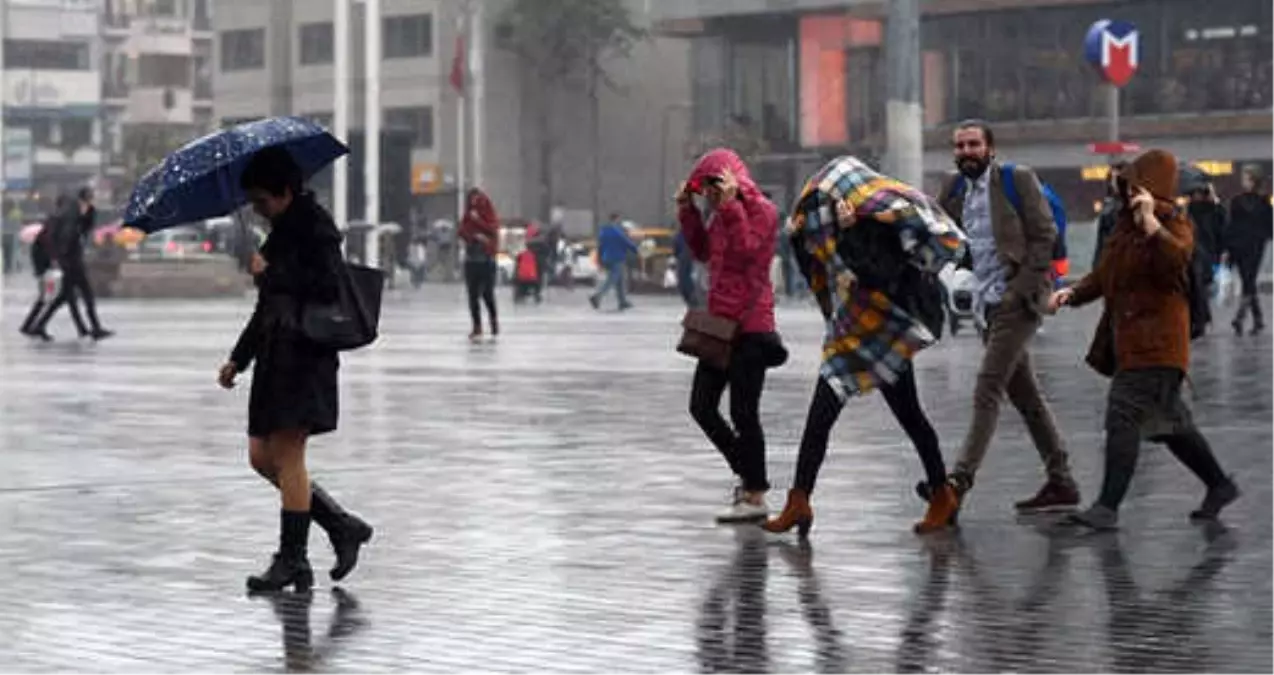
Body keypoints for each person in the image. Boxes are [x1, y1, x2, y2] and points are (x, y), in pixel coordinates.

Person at [762, 156, 966, 537]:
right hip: (853, 330)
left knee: (910, 415)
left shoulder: (880, 222)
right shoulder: (841, 220)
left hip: (886, 329)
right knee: (822, 415)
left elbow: (879, 274)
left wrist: (851, 230)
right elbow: (821, 264)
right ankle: (799, 500)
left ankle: (941, 495)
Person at [1050, 149, 1239, 530]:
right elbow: (1104, 274)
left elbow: (1177, 260)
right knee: (1171, 426)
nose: (1128, 190)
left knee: (1123, 414)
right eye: (1127, 184)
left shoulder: (1174, 222)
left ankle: (1106, 507)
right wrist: (1071, 294)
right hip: (1131, 342)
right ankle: (1219, 485)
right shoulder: (1122, 225)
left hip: (1159, 345)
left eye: (1136, 184)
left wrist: (1152, 220)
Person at [218, 147, 373, 593]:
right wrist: (238, 357)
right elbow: (268, 307)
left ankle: (292, 560)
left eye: (263, 201)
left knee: (288, 457)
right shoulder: (280, 232)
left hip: (304, 357)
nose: (259, 211)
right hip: (274, 355)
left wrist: (273, 272)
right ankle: (340, 526)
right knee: (262, 457)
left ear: (287, 192)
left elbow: (325, 287)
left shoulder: (316, 228)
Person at [933, 119, 1079, 517]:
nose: (966, 151)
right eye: (960, 146)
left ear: (990, 148)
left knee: (987, 389)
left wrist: (1020, 290)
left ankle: (956, 485)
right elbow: (934, 230)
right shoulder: (953, 188)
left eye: (974, 144)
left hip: (1016, 302)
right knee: (1025, 396)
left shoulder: (1017, 179)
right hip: (984, 305)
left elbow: (1045, 236)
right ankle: (1062, 481)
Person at [677, 148, 787, 523]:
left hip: (753, 325)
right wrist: (688, 211)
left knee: (743, 412)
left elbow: (748, 251)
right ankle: (752, 476)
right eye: (705, 187)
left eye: (715, 185)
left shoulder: (764, 211)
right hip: (720, 324)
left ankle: (755, 496)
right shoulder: (717, 214)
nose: (710, 193)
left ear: (734, 179)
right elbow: (703, 252)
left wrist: (728, 207)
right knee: (701, 407)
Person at [29, 189, 112, 341]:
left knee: (62, 297)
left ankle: (40, 325)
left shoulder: (83, 212)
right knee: (86, 294)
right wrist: (61, 257)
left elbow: (85, 230)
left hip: (72, 258)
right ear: (87, 198)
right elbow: (66, 236)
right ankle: (95, 328)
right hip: (70, 260)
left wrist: (89, 213)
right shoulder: (70, 214)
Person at [20, 197, 88, 341]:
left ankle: (35, 325)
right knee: (51, 298)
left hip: (53, 265)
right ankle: (33, 325)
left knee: (62, 298)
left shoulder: (57, 222)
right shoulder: (55, 222)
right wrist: (55, 260)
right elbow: (48, 245)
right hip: (51, 267)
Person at [1224, 165, 1273, 335]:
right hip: (1239, 246)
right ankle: (1257, 319)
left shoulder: (1263, 201)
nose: (1243, 181)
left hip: (1256, 245)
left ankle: (1240, 317)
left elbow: (1270, 223)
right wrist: (1227, 247)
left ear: (1253, 180)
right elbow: (1231, 225)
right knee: (1248, 281)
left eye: (1246, 178)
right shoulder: (1237, 201)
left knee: (1249, 279)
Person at [459, 188, 501, 341]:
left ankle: (493, 320)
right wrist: (473, 236)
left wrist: (478, 222)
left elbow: (493, 229)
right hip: (471, 258)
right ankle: (477, 326)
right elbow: (462, 231)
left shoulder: (488, 214)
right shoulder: (468, 214)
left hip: (486, 259)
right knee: (472, 295)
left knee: (487, 293)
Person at [589, 212, 637, 311]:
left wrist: (600, 258)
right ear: (616, 219)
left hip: (606, 258)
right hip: (617, 258)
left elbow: (600, 246)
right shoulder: (618, 231)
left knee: (620, 280)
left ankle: (622, 301)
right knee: (611, 280)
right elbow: (626, 242)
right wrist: (636, 249)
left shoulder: (603, 232)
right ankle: (597, 296)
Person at [1186, 182, 1225, 293]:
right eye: (1194, 193)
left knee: (1205, 278)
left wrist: (1215, 199)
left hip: (1208, 246)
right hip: (1196, 247)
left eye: (1199, 193)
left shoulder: (1212, 208)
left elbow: (1221, 223)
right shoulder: (1189, 209)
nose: (1196, 196)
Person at [1091, 162, 1128, 268]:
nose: (1114, 184)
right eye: (1113, 180)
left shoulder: (1139, 206)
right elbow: (1101, 245)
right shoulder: (1109, 208)